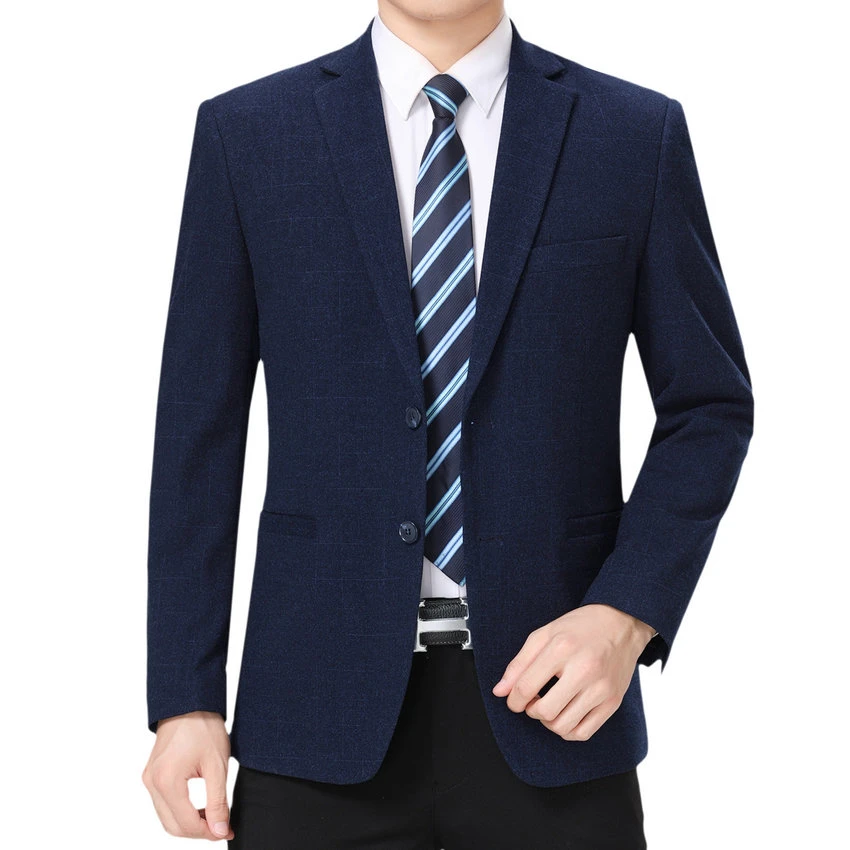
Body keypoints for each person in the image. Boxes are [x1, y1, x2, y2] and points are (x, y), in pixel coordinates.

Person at [141, 2, 754, 847]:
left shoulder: (630, 133)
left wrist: (626, 612)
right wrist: (185, 697)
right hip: (312, 711)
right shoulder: (248, 134)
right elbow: (196, 434)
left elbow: (708, 405)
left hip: (556, 706)